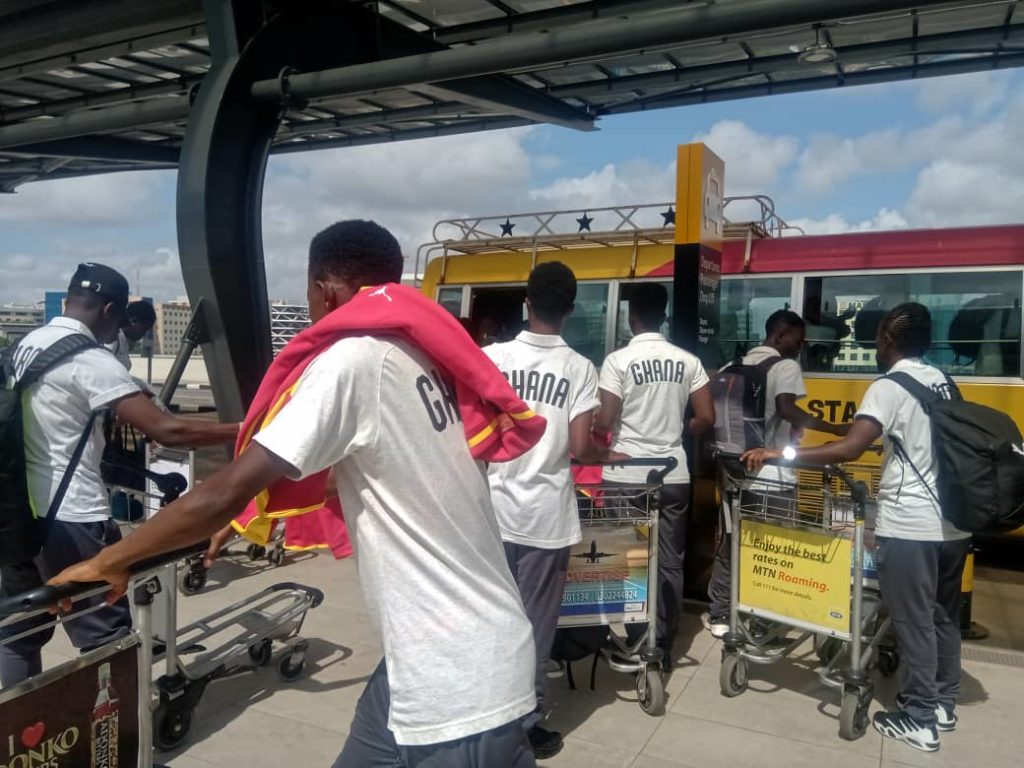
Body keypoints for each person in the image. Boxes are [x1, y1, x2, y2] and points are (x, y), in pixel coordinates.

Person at [52, 223, 540, 768]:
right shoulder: (417, 353)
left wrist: (114, 561)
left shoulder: (354, 359)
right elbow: (359, 473)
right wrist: (245, 520)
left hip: (456, 681)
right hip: (427, 660)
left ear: (325, 290)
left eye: (309, 296)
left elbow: (226, 489)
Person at [741, 302, 969, 754]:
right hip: (954, 523)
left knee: (913, 619)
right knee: (943, 614)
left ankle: (922, 718)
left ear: (887, 339)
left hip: (911, 524)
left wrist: (780, 455)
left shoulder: (888, 386)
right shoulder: (944, 383)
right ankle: (943, 701)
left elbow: (850, 449)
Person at [0, 263, 239, 688]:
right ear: (110, 309)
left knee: (20, 633)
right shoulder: (91, 358)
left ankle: (17, 741)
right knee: (106, 638)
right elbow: (168, 431)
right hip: (71, 516)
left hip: (18, 514)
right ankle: (119, 745)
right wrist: (244, 429)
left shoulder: (27, 344)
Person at [483, 261, 613, 760]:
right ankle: (526, 722)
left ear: (526, 303)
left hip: (489, 513)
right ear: (572, 310)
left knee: (486, 616)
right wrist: (609, 455)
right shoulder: (580, 368)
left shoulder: (490, 357)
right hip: (544, 518)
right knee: (534, 627)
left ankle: (479, 712)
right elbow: (581, 448)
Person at [704, 309, 849, 638]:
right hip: (773, 476)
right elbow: (787, 409)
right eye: (798, 340)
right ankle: (762, 618)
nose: (801, 346)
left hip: (733, 472)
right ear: (780, 336)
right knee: (773, 550)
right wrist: (836, 429)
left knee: (730, 541)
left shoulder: (732, 366)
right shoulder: (786, 366)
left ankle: (720, 613)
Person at [594, 282, 714, 667]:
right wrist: (678, 430)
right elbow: (706, 418)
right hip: (674, 474)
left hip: (628, 473)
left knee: (629, 557)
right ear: (664, 315)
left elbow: (607, 419)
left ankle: (634, 639)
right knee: (670, 561)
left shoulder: (617, 361)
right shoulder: (688, 361)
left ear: (631, 318)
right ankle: (662, 643)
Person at [106, 299, 156, 370]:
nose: (144, 334)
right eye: (144, 328)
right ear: (133, 320)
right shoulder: (112, 340)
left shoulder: (122, 342)